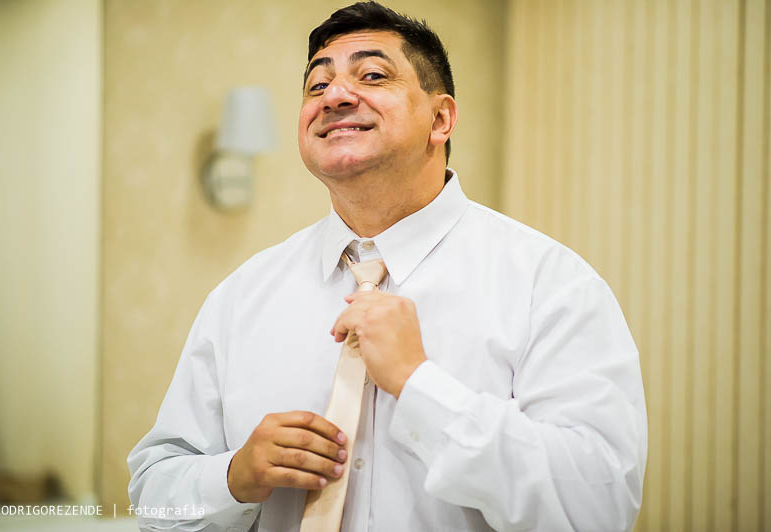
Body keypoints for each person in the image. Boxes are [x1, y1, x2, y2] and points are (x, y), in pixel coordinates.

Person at [127, 2, 648, 531]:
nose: (334, 96)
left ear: (440, 119)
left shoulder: (549, 284)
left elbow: (597, 510)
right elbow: (153, 498)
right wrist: (232, 477)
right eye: (316, 85)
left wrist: (419, 385)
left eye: (372, 75)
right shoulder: (241, 297)